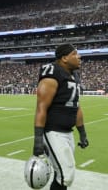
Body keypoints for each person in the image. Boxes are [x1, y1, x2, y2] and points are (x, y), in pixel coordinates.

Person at [33, 43, 89, 190]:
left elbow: (76, 105)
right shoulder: (52, 72)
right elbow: (41, 107)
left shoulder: (74, 75)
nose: (79, 57)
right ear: (64, 58)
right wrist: (38, 139)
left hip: (67, 132)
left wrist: (82, 133)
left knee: (62, 175)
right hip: (53, 131)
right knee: (66, 176)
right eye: (75, 54)